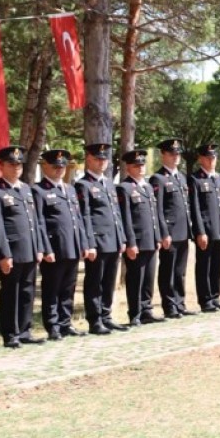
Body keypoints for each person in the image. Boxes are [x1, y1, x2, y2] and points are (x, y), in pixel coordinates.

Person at [0, 145, 50, 347]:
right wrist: (4, 254)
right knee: (10, 292)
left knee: (27, 291)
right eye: (11, 164)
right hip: (11, 252)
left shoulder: (26, 189)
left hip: (30, 250)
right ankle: (11, 334)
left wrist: (39, 247)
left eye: (19, 164)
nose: (16, 168)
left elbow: (35, 221)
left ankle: (25, 330)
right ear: (1, 165)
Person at [34, 148, 89, 340]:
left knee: (68, 288)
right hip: (54, 248)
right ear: (46, 167)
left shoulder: (70, 189)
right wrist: (45, 249)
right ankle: (53, 325)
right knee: (52, 288)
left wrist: (83, 243)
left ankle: (66, 322)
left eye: (62, 166)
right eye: (55, 166)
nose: (59, 170)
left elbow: (78, 219)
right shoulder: (39, 190)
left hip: (72, 247)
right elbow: (39, 222)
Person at [76, 142, 129, 334]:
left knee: (108, 281)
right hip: (97, 242)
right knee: (94, 281)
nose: (101, 162)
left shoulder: (108, 183)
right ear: (88, 159)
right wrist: (89, 243)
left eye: (104, 159)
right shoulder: (83, 185)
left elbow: (116, 213)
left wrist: (122, 238)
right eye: (97, 158)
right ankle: (95, 319)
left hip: (113, 240)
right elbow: (85, 216)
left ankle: (106, 315)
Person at [117, 148, 168, 326]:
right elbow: (126, 218)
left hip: (151, 241)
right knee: (135, 279)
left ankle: (147, 310)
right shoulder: (124, 188)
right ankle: (135, 313)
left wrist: (158, 237)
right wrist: (130, 243)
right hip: (137, 242)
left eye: (142, 165)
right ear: (128, 167)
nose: (140, 168)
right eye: (136, 165)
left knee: (148, 278)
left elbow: (154, 215)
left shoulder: (147, 187)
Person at [152, 139, 193, 318]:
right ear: (163, 155)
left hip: (183, 231)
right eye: (171, 153)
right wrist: (163, 232)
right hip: (170, 232)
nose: (176, 157)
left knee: (180, 271)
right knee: (168, 270)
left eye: (177, 153)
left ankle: (180, 302)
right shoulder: (158, 178)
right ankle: (169, 305)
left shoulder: (181, 176)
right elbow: (158, 209)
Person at [189, 143, 220, 313]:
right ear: (200, 159)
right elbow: (195, 208)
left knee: (217, 265)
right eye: (207, 157)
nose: (211, 160)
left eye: (213, 157)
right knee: (204, 266)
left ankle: (215, 296)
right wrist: (200, 232)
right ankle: (205, 300)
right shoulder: (195, 179)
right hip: (206, 230)